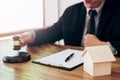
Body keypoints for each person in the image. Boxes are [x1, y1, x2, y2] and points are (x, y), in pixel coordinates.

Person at [19, 0, 120, 56]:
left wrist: (105, 46)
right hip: (73, 68)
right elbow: (52, 32)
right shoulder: (71, 11)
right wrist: (32, 35)